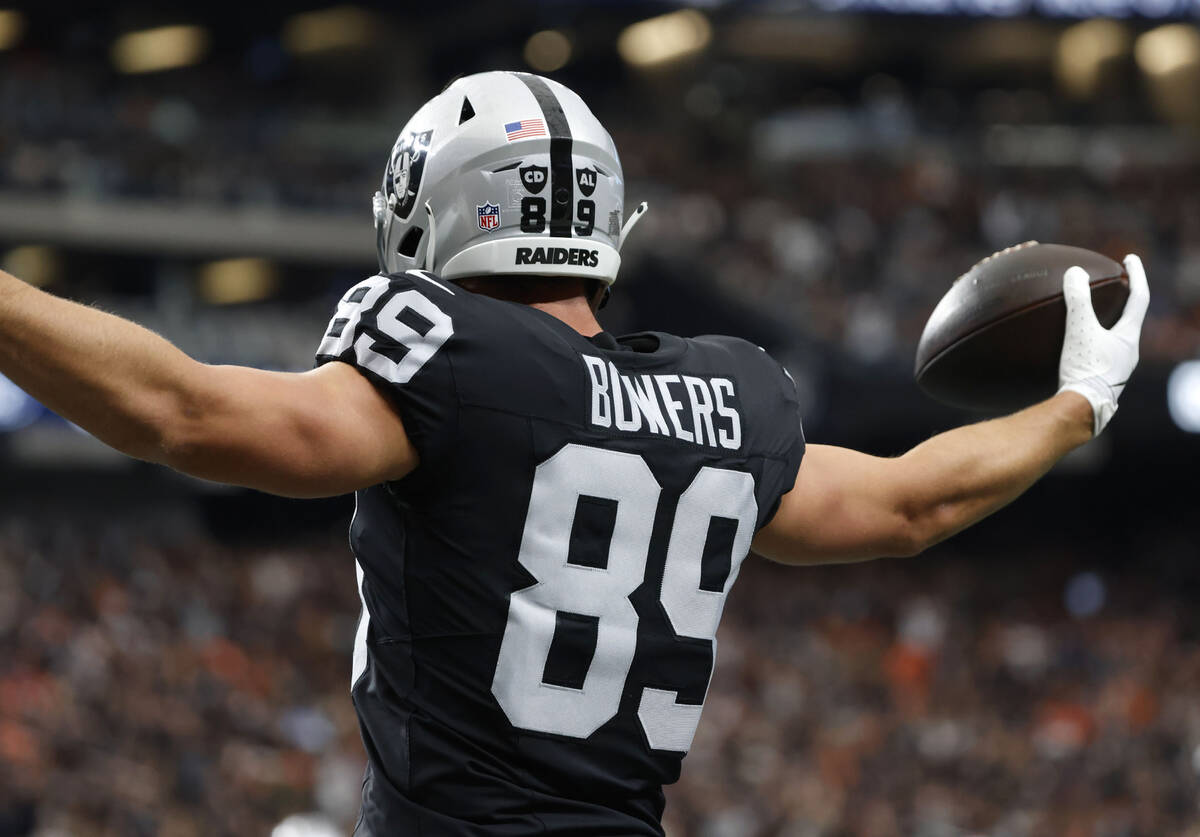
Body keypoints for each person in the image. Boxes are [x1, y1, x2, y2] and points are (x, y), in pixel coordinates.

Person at [0, 72, 1148, 835]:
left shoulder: (451, 356)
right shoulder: (727, 395)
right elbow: (907, 506)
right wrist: (1077, 405)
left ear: (440, 209)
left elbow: (183, 416)